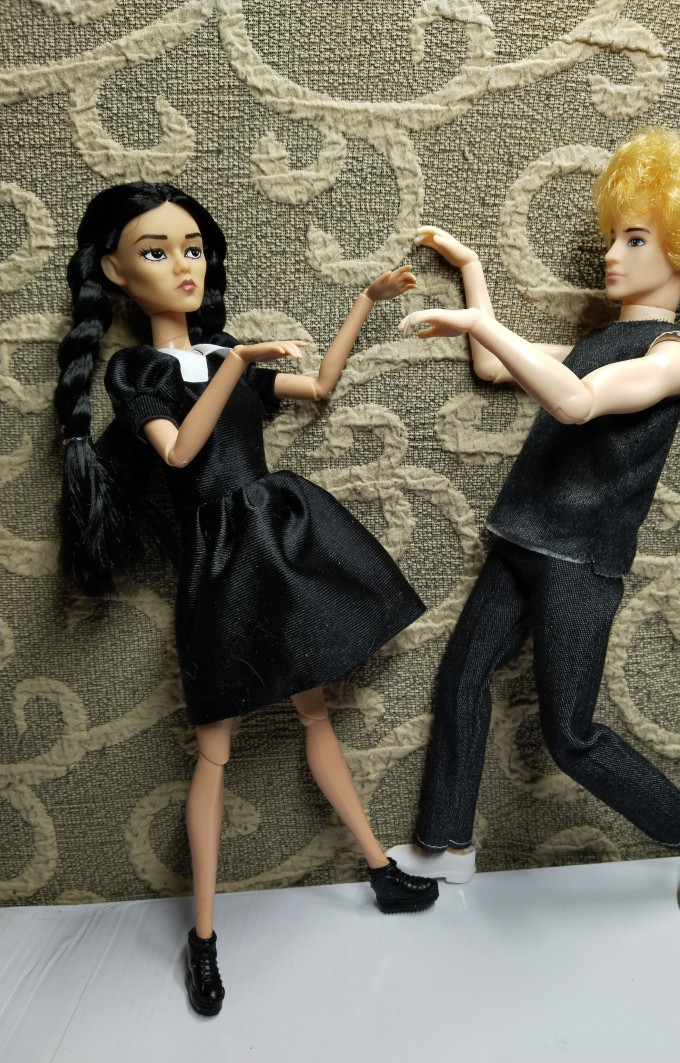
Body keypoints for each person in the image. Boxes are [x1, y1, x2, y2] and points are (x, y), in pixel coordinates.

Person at [55, 181, 437, 1017]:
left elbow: (321, 387)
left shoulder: (227, 348)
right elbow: (181, 454)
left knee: (315, 714)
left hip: (279, 545)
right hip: (220, 564)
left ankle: (380, 868)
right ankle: (203, 937)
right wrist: (234, 364)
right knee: (215, 752)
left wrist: (364, 302)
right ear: (115, 272)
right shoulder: (137, 369)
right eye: (156, 251)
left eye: (192, 247)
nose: (182, 265)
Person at [389, 127, 680, 916]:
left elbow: (577, 402)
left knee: (570, 735)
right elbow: (497, 364)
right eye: (613, 235)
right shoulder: (600, 340)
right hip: (522, 536)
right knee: (462, 677)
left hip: (580, 562)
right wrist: (472, 274)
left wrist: (481, 324)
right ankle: (448, 844)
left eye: (635, 238)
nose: (612, 254)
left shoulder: (673, 354)